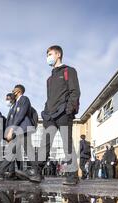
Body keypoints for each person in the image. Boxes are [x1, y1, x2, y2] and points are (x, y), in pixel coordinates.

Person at [17, 45, 81, 186]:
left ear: (58, 55)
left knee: (66, 143)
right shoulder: (50, 78)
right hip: (50, 116)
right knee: (45, 143)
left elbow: (75, 92)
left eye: (50, 54)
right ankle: (37, 172)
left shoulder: (68, 71)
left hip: (64, 113)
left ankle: (72, 175)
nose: (48, 57)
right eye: (47, 55)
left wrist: (68, 109)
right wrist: (45, 113)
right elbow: (49, 98)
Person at [0, 85, 35, 180]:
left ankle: (37, 172)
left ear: (18, 91)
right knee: (12, 152)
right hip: (18, 131)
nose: (12, 92)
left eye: (13, 91)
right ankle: (1, 172)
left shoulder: (24, 99)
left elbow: (21, 115)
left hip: (24, 129)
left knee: (29, 151)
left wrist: (11, 131)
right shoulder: (16, 104)